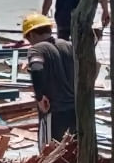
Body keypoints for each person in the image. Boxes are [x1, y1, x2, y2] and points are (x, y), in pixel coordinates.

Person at [22, 13, 76, 146]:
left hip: (54, 110)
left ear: (32, 35)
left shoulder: (36, 49)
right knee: (72, 150)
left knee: (49, 152)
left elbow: (37, 68)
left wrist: (40, 97)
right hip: (75, 109)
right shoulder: (68, 45)